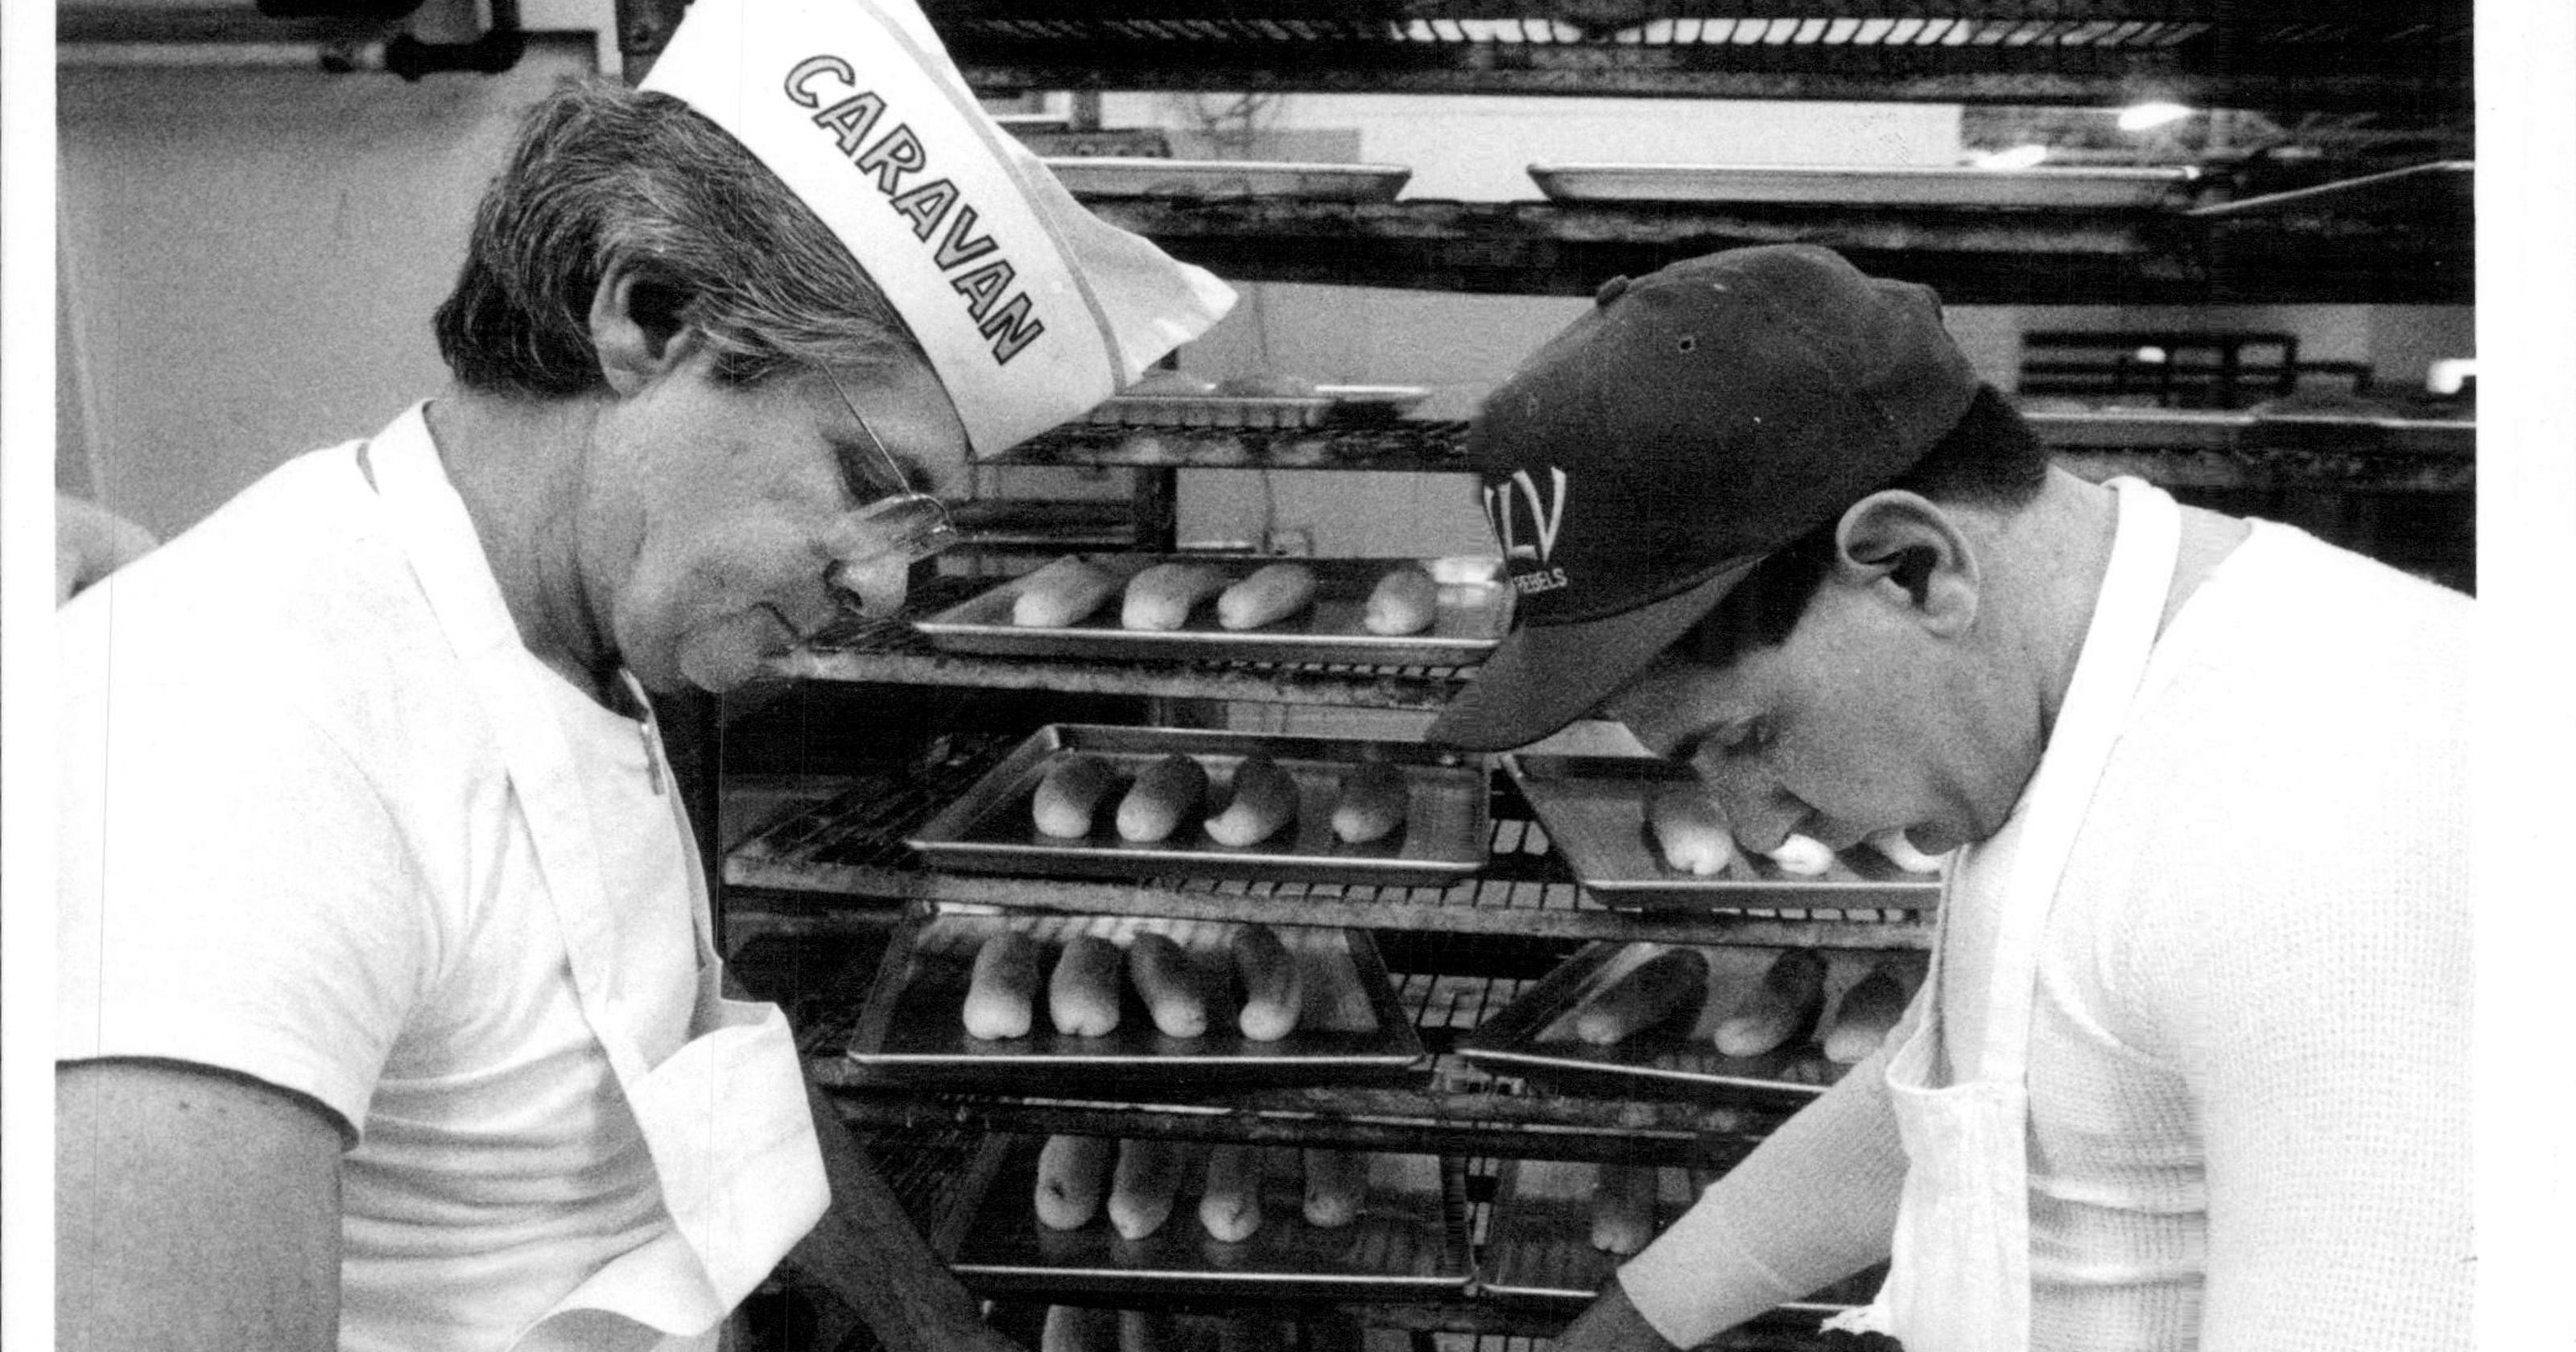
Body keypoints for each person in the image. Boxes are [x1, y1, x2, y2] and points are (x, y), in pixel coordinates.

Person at [53, 0, 1231, 1346]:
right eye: (868, 481)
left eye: (919, 530)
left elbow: (684, 1080)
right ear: (650, 317)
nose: (886, 590)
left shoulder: (569, 638)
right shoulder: (239, 739)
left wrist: (945, 1339)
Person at [1425, 244, 2469, 1351]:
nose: (1758, 826)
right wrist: (1639, 1321)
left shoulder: (2333, 815)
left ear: (1911, 566)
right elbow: (1993, 1083)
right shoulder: (2085, 690)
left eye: (1749, 739)